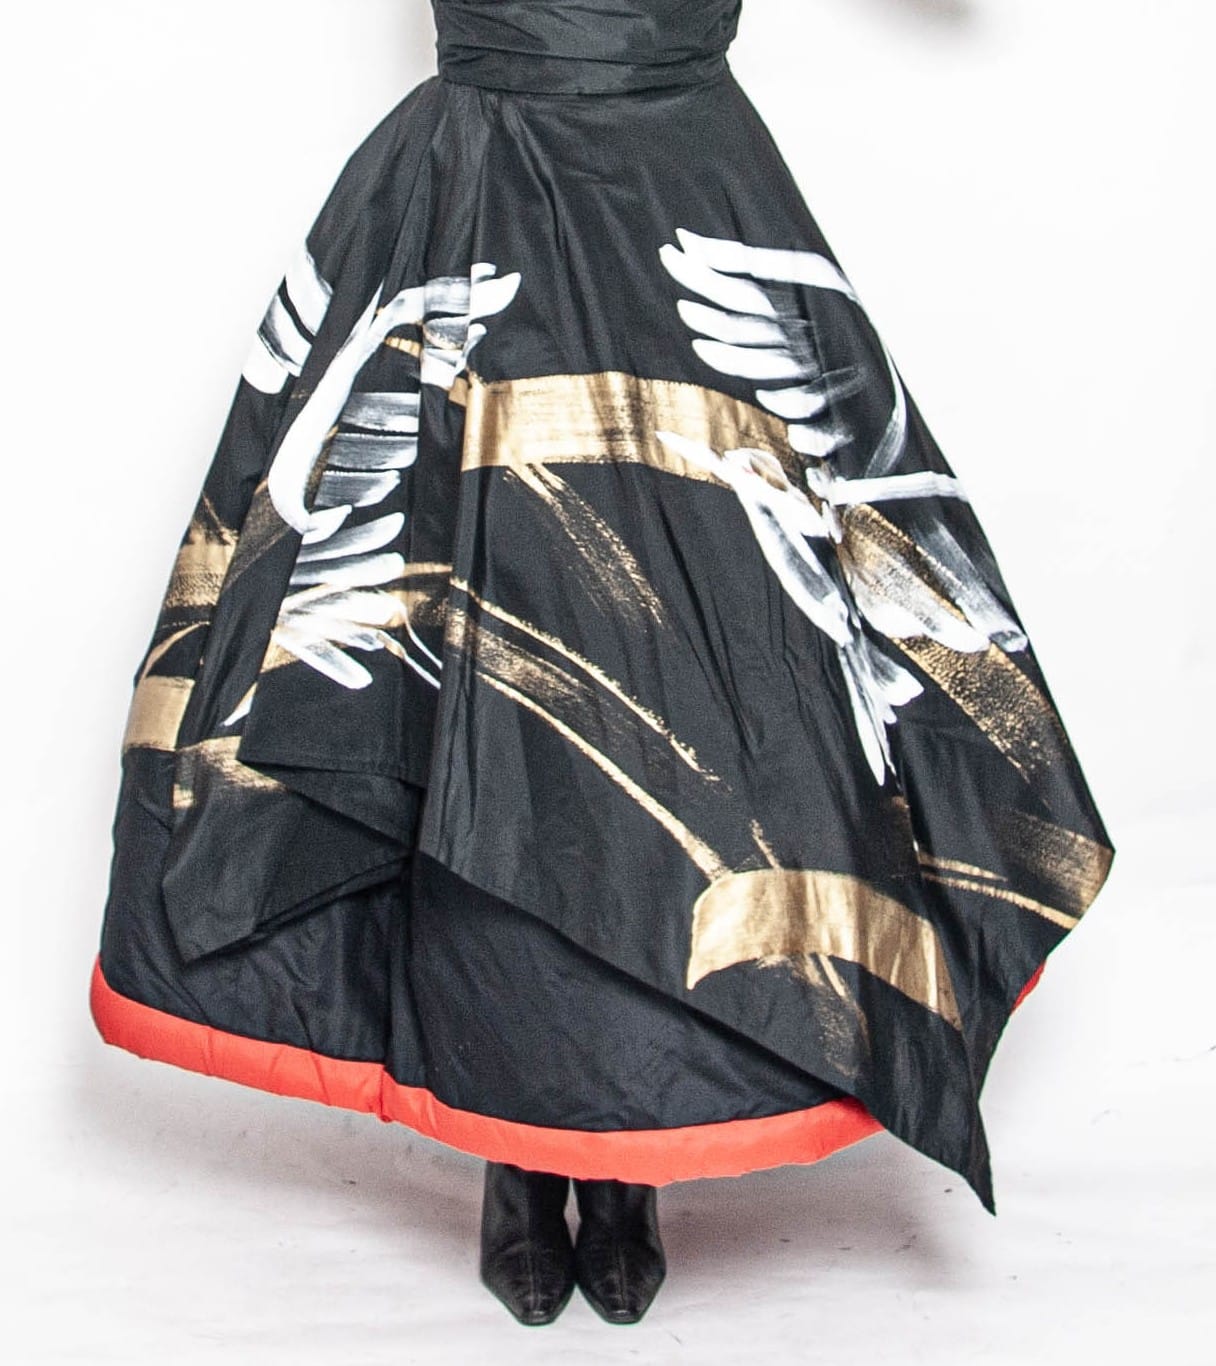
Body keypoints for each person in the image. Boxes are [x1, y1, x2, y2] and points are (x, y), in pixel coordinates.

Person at [90, 0, 1115, 1328]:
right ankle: (518, 1157)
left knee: (691, 696)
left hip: (672, 198)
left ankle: (623, 1168)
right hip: (479, 199)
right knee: (477, 695)